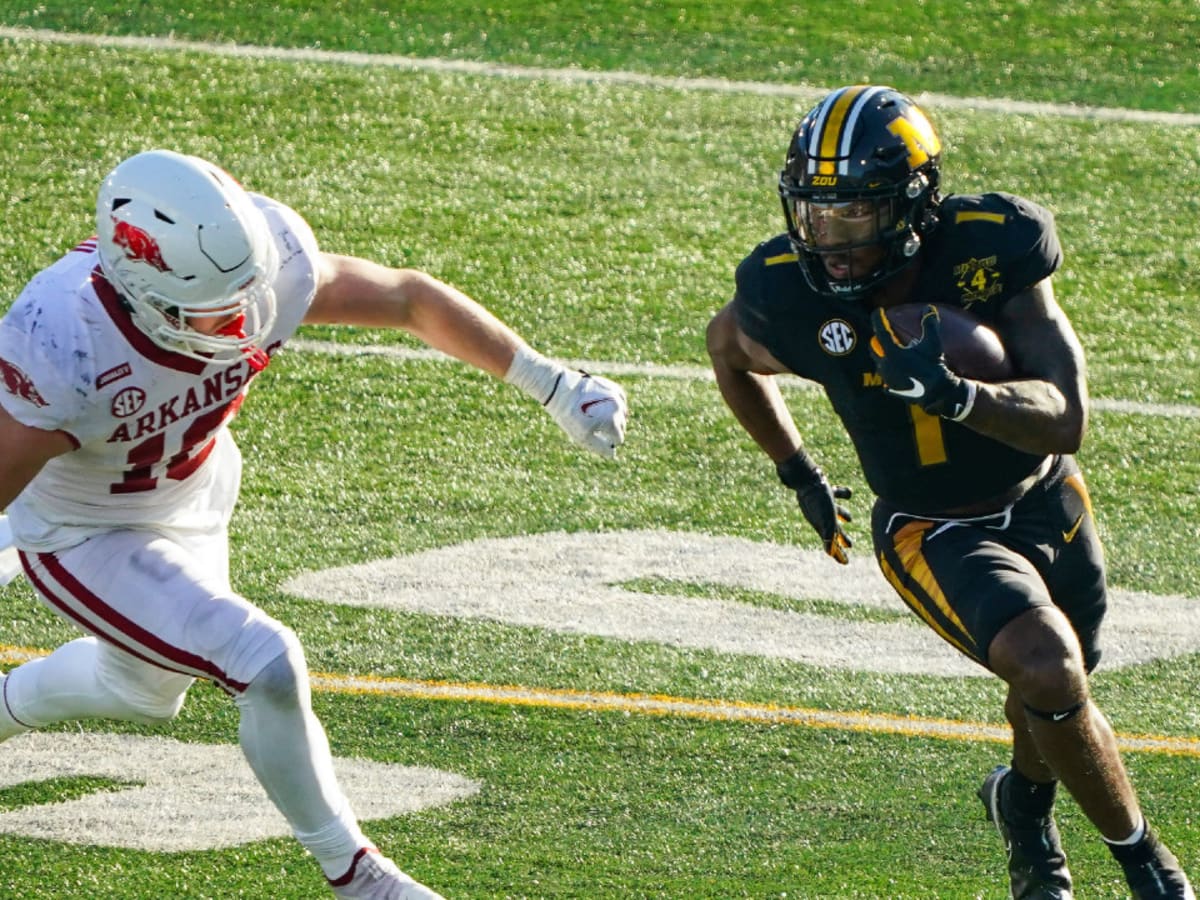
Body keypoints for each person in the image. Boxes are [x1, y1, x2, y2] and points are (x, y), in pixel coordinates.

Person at [0, 149, 627, 899]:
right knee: (263, 661)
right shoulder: (62, 340)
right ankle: (360, 877)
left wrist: (552, 384)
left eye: (246, 287)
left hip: (193, 487)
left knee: (142, 693)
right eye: (215, 304)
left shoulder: (264, 266)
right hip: (83, 533)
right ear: (143, 292)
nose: (243, 315)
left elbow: (406, 299)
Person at [706, 85, 1192, 899]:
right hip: (930, 526)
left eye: (855, 215)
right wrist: (798, 471)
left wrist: (960, 397)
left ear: (913, 204)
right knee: (1047, 667)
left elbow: (1065, 416)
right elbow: (727, 349)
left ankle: (1024, 809)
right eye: (815, 213)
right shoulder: (787, 289)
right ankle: (1147, 865)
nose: (829, 239)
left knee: (1056, 689)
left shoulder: (991, 247)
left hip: (1046, 497)